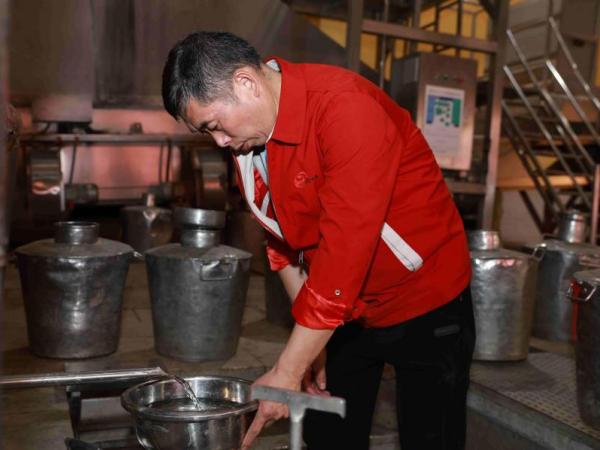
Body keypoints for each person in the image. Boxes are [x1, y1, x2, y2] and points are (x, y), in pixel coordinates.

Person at [162, 31, 475, 450]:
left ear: (246, 83)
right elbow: (281, 244)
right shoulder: (251, 143)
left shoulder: (346, 110)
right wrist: (308, 346)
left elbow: (345, 256)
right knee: (328, 435)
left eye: (215, 126)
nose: (219, 141)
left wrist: (289, 369)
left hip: (425, 300)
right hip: (345, 311)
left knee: (430, 436)